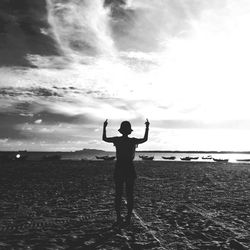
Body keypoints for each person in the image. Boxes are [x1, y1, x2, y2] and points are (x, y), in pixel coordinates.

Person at [102, 119, 150, 225]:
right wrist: (147, 127)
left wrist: (104, 127)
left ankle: (119, 217)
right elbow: (145, 139)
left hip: (119, 167)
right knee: (129, 194)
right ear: (129, 131)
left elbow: (104, 138)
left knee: (118, 194)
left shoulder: (117, 140)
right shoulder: (132, 141)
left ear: (121, 131)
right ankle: (128, 217)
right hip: (129, 167)